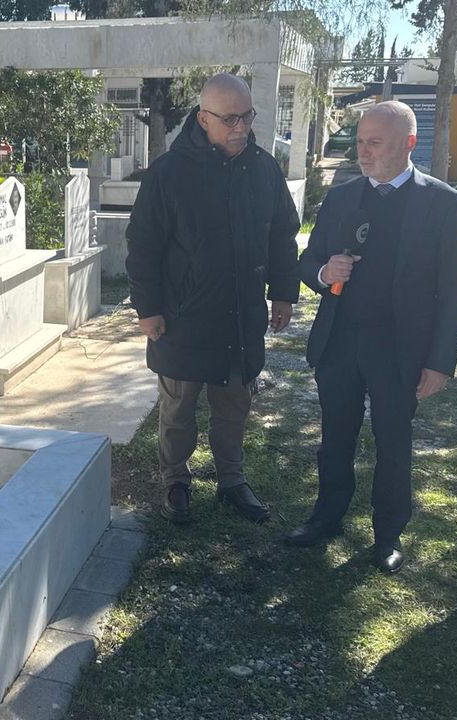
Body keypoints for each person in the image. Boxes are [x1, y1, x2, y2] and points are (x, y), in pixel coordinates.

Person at [283, 101, 457, 573]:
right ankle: (327, 516)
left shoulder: (442, 203)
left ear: (409, 144)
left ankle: (388, 534)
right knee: (335, 437)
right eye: (360, 142)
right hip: (341, 342)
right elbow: (308, 262)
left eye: (374, 143)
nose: (362, 152)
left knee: (394, 441)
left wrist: (440, 361)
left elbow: (452, 290)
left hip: (400, 349)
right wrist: (324, 272)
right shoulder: (343, 197)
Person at [125, 73, 300, 525]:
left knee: (233, 408)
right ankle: (175, 480)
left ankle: (232, 480)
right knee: (178, 409)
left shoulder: (263, 169)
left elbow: (283, 236)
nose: (241, 127)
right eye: (229, 119)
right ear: (203, 119)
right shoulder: (168, 173)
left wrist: (284, 293)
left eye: (247, 116)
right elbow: (142, 245)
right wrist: (148, 309)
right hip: (182, 318)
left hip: (240, 317)